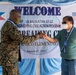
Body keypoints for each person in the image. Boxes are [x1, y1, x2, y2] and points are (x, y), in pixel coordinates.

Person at [0, 9, 42, 75]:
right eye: (19, 17)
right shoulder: (10, 26)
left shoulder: (9, 25)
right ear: (12, 15)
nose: (20, 19)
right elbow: (22, 40)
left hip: (8, 58)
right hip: (9, 59)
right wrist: (37, 36)